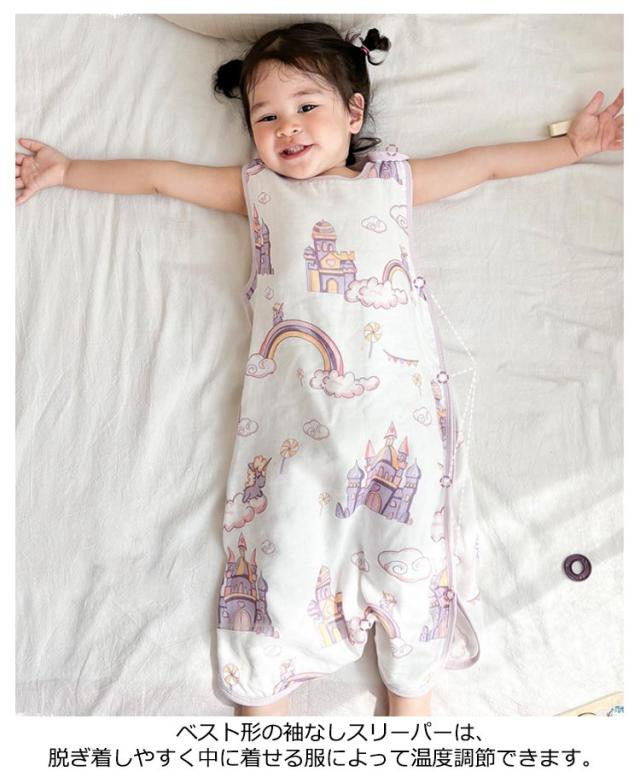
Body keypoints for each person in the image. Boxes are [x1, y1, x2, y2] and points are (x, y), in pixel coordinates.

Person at [15, 21, 623, 718]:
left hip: (398, 427)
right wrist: (69, 170)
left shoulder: (392, 181)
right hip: (294, 439)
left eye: (307, 106)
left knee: (413, 565)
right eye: (266, 117)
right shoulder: (259, 192)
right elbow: (159, 177)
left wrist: (571, 148)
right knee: (279, 563)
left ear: (353, 112)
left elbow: (483, 163)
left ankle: (410, 704)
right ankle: (265, 710)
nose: (288, 128)